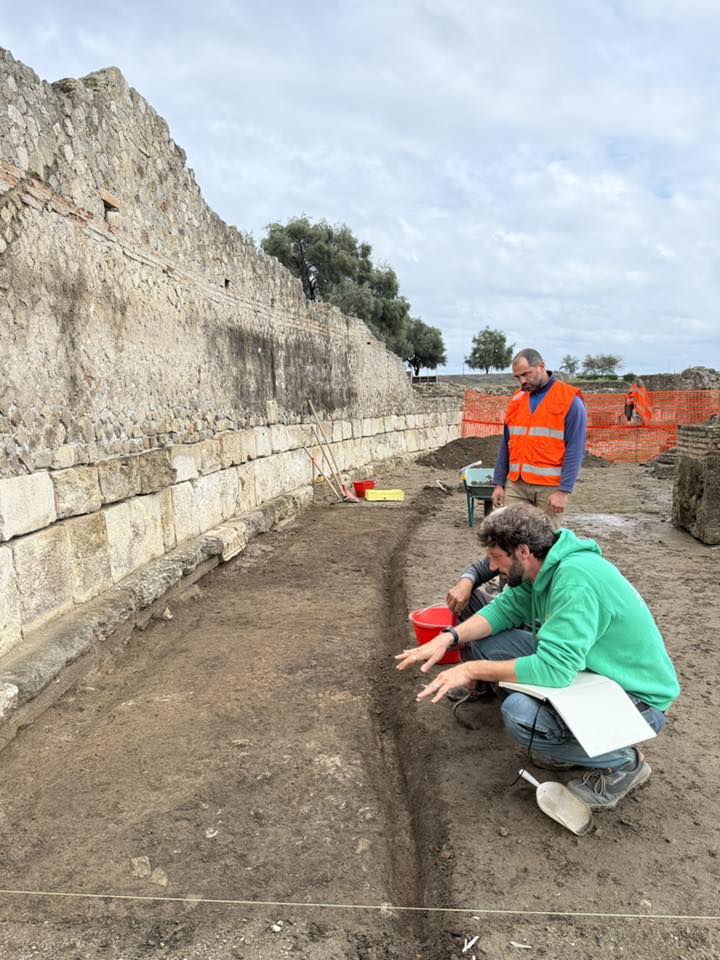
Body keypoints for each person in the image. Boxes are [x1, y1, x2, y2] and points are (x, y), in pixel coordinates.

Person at [396, 504, 680, 811]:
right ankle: (565, 743)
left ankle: (625, 763)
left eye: (496, 558)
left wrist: (471, 669)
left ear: (522, 552)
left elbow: (555, 670)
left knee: (521, 716)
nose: (491, 568)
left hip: (636, 698)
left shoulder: (575, 581)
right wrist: (449, 636)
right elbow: (502, 610)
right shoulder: (543, 569)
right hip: (592, 671)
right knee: (490, 643)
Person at [492, 349, 586, 528]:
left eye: (526, 374)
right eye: (517, 377)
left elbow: (575, 448)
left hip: (549, 489)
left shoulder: (569, 400)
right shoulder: (516, 400)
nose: (522, 381)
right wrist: (498, 483)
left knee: (544, 543)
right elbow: (506, 443)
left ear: (541, 367)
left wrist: (563, 491)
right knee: (511, 537)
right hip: (516, 485)